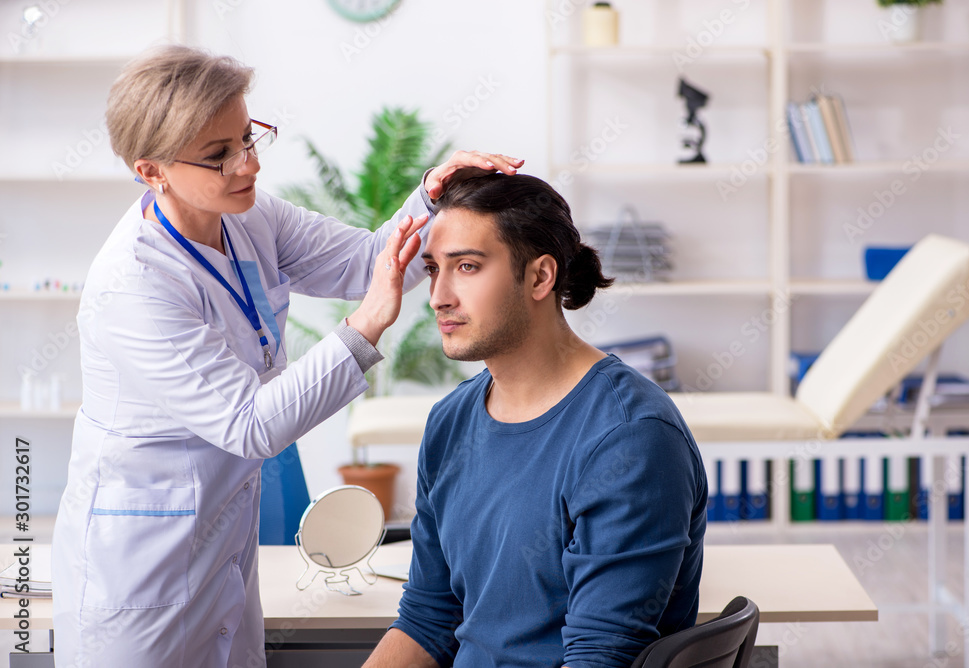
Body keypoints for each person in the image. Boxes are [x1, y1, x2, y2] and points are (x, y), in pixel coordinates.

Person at [50, 44, 522, 668]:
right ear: (151, 170)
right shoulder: (132, 285)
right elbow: (250, 425)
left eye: (247, 138)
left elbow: (367, 262)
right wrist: (364, 330)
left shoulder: (249, 216)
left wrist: (433, 197)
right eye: (219, 156)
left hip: (219, 547)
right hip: (138, 566)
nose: (247, 166)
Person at [363, 174, 708, 668]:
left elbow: (600, 656)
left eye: (467, 266)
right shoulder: (449, 422)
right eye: (433, 269)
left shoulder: (630, 437)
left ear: (540, 278)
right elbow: (428, 619)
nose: (439, 295)